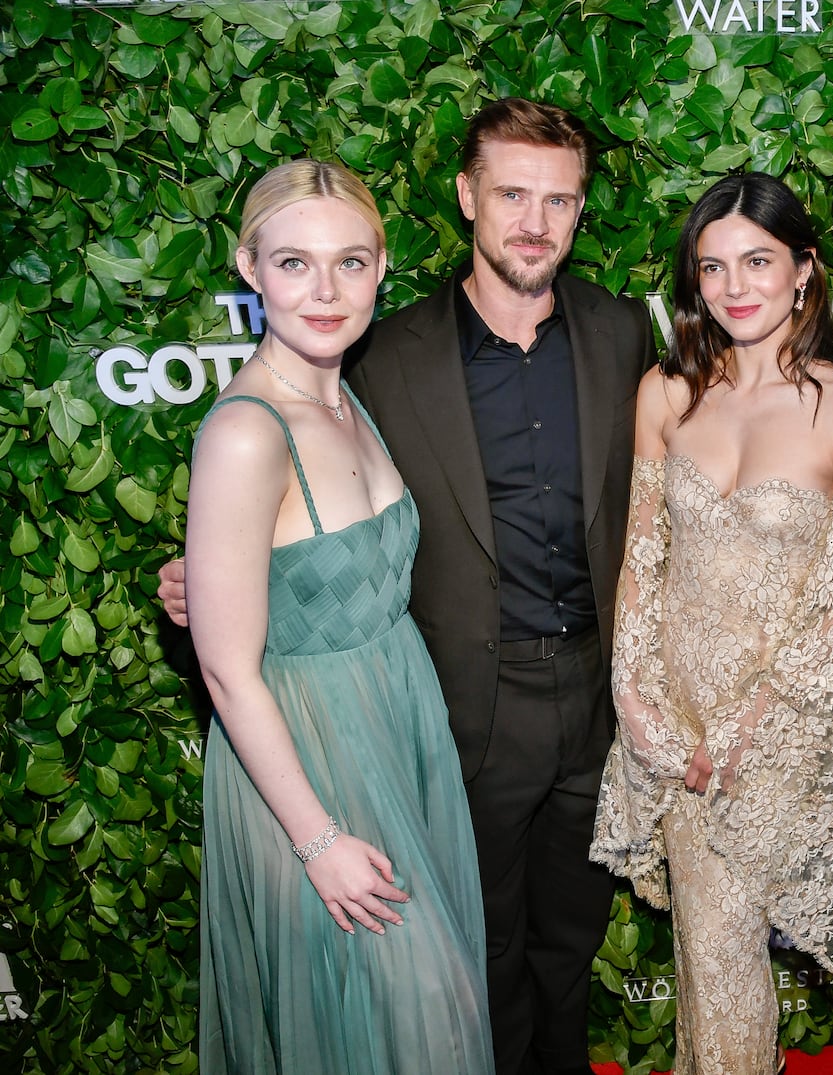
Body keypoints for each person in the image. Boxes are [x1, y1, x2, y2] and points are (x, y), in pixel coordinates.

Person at [163, 100, 654, 1075]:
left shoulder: (620, 333)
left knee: (563, 947)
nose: (533, 220)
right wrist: (207, 579)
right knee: (451, 969)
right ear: (468, 195)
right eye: (512, 192)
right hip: (455, 710)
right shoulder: (385, 355)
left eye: (559, 199)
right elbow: (259, 532)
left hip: (586, 702)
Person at [589, 172, 833, 1075]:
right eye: (713, 267)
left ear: (806, 271)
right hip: (681, 735)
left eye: (758, 262)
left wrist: (751, 726)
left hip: (788, 736)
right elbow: (641, 560)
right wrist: (639, 706)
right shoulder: (667, 393)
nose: (734, 287)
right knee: (711, 958)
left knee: (722, 961)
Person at [187, 159, 493, 1074]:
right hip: (306, 764)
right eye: (293, 263)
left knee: (432, 1018)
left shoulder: (346, 390)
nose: (324, 291)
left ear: (380, 266)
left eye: (350, 263)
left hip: (397, 732)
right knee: (391, 1018)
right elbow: (227, 668)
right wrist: (316, 841)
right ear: (248, 267)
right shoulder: (245, 432)